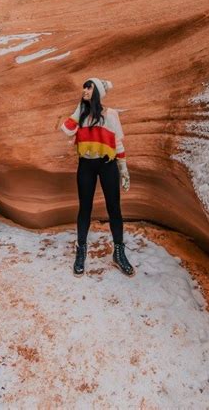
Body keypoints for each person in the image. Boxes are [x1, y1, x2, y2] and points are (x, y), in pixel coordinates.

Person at [60, 77, 135, 277]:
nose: (84, 91)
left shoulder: (110, 115)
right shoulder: (81, 116)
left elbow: (118, 143)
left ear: (98, 92)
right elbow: (66, 130)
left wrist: (124, 170)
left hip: (107, 165)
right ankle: (81, 249)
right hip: (86, 165)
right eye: (84, 87)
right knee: (85, 208)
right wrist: (77, 111)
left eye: (89, 87)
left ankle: (119, 252)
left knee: (114, 208)